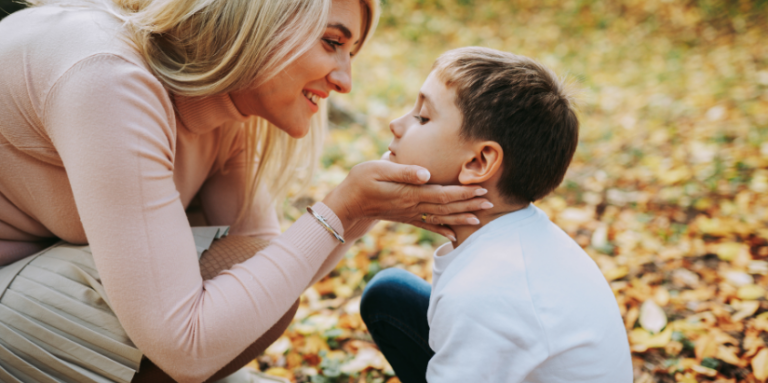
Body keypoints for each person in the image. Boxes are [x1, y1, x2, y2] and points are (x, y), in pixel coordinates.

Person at [0, 1, 495, 382]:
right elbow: (186, 344)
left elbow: (268, 284)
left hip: (37, 291)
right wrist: (341, 209)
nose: (345, 80)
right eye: (330, 42)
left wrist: (363, 212)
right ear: (266, 17)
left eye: (351, 52)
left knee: (256, 279)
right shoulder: (109, 77)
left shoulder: (227, 111)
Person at [361, 47, 633, 383]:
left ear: (478, 162)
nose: (396, 124)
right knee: (390, 295)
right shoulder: (513, 234)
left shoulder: (487, 290)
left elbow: (480, 303)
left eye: (423, 117)